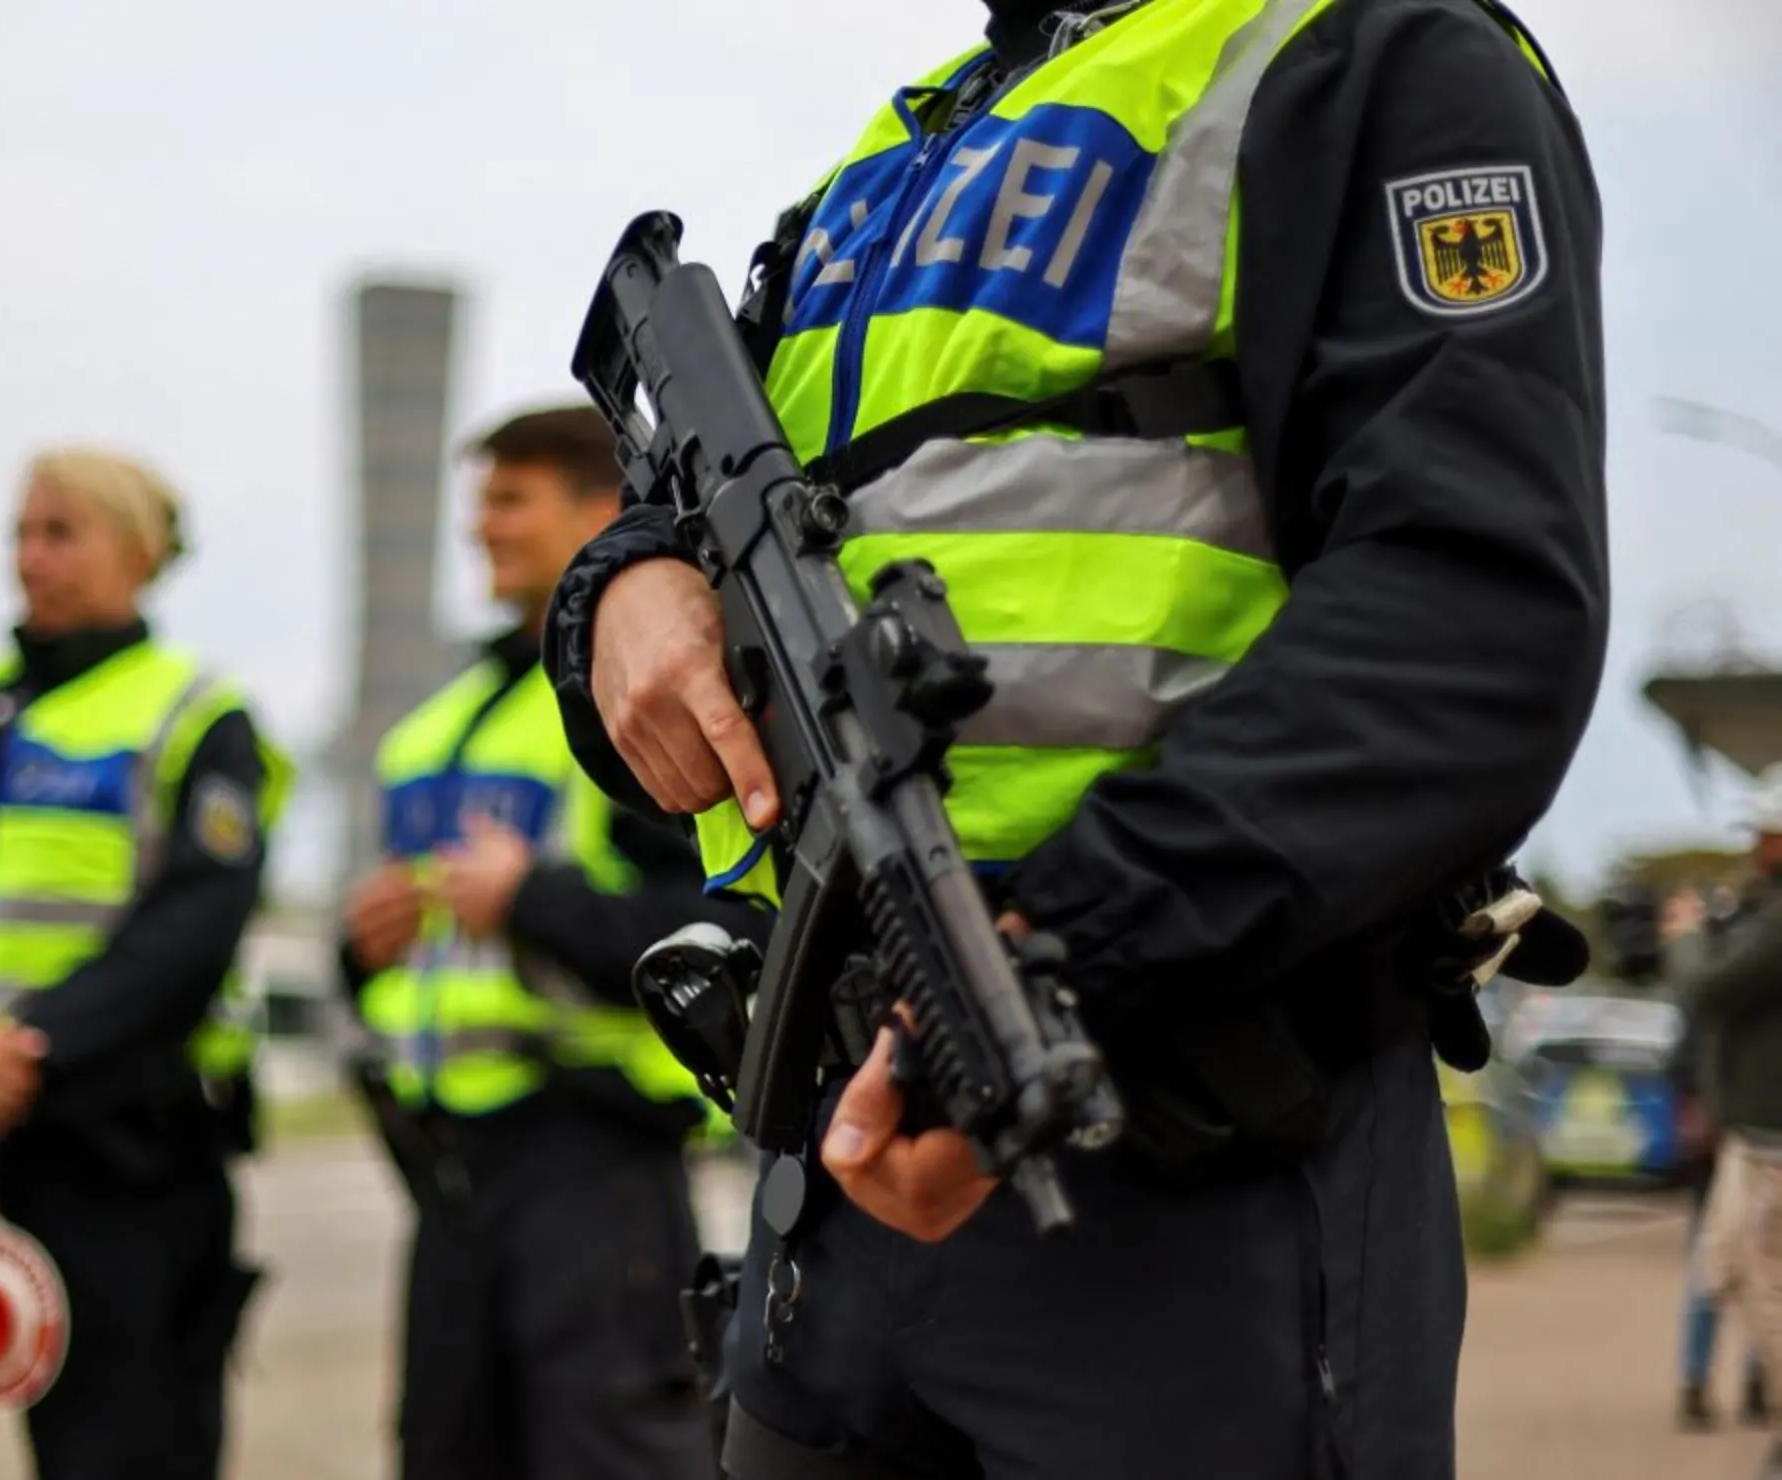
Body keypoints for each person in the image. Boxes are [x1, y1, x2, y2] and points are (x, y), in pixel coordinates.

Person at [545, 1, 1606, 1475]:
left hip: (1171, 1118)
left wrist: (1046, 965)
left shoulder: (1365, 48)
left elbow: (1466, 625)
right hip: (840, 1171)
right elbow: (760, 511)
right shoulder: (899, 149)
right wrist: (616, 586)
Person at [0, 447, 292, 1480]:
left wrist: (19, 1057)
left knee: (125, 1450)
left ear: (140, 552)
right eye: (22, 533)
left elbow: (190, 933)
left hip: (115, 1158)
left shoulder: (196, 716)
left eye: (61, 532)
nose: (30, 557)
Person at [337, 405, 769, 1480]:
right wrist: (362, 948)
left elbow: (713, 935)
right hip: (450, 1175)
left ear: (598, 510)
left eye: (508, 500)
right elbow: (413, 974)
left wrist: (532, 900)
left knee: (609, 1454)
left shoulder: (643, 707)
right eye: (481, 500)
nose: (481, 527)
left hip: (593, 1166)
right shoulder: (430, 731)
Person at [1689, 767, 1782, 1474]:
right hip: (1756, 1131)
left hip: (1770, 1138)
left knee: (1757, 1276)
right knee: (1723, 1266)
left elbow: (1711, 988)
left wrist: (1688, 939)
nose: (1757, 845)